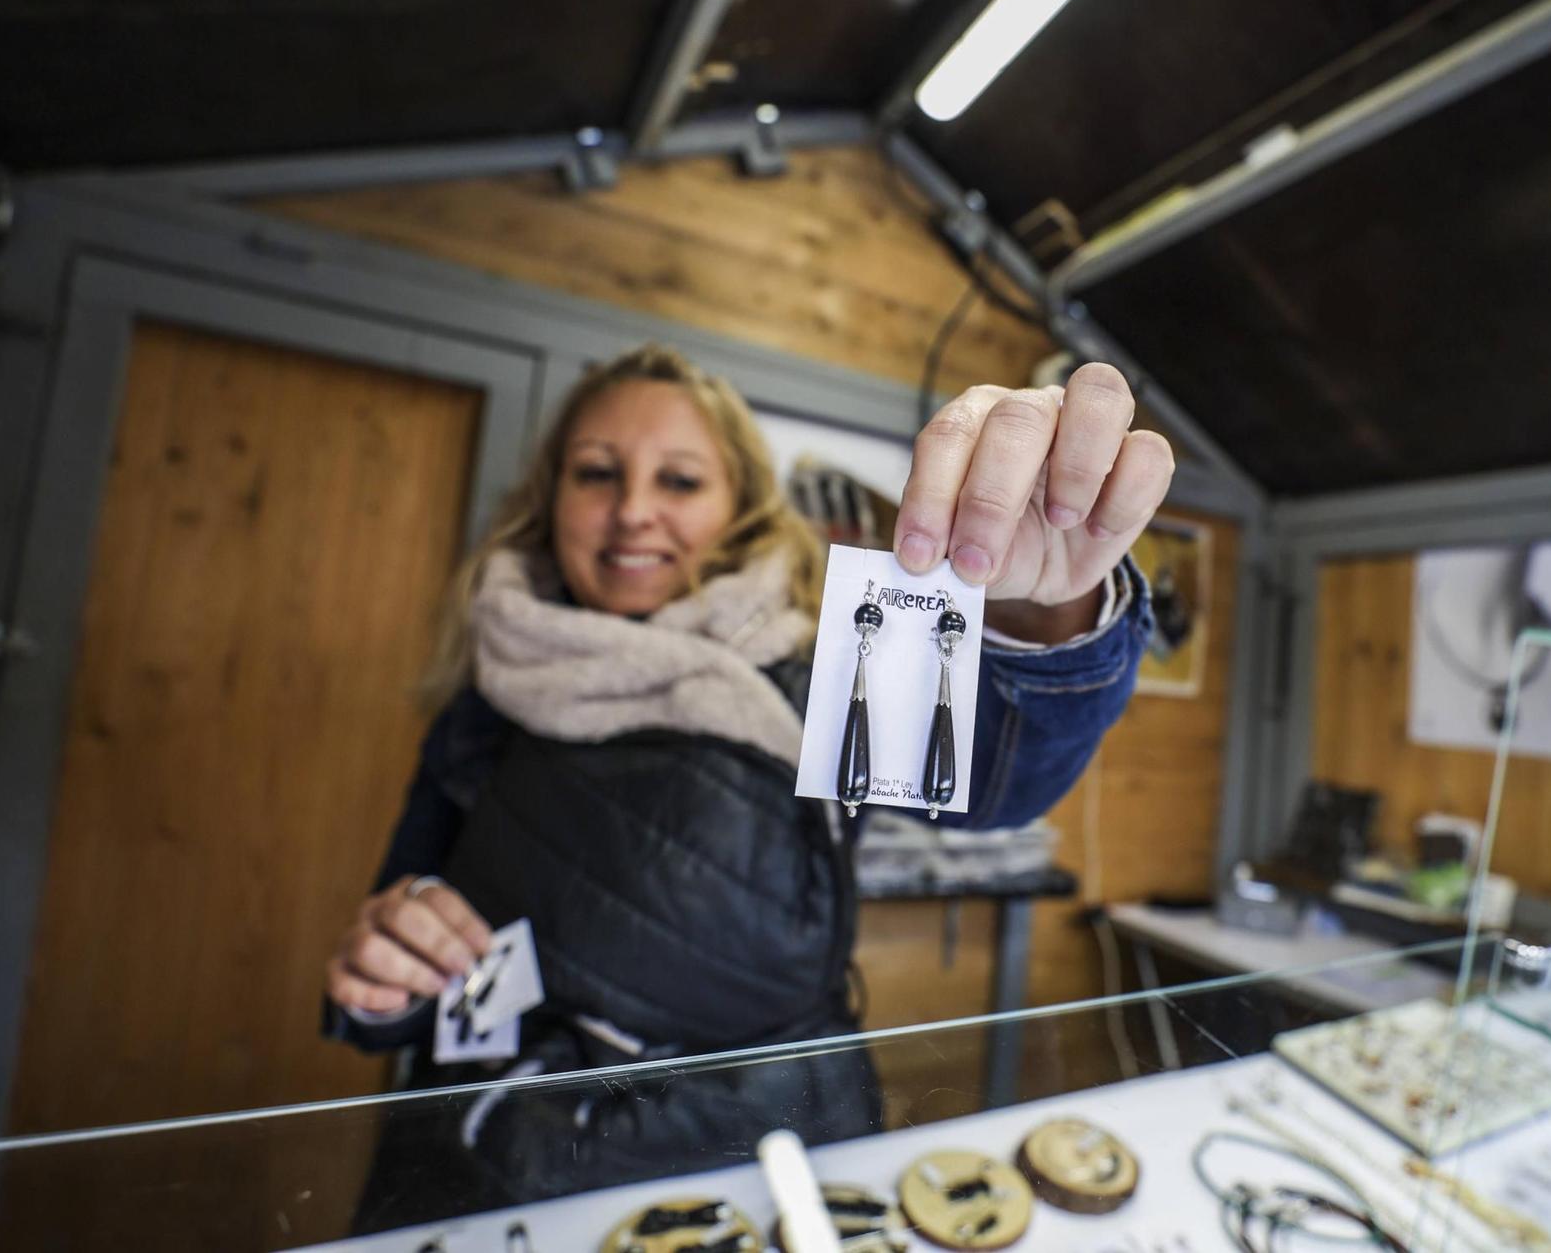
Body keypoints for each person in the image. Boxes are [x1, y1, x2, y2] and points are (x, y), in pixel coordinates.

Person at [322, 345, 1172, 1226]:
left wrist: (1049, 607)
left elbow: (1003, 777)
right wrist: (381, 972)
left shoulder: (821, 655)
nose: (633, 512)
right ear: (550, 498)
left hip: (760, 1166)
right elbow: (398, 944)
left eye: (681, 480)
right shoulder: (490, 685)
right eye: (597, 473)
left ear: (738, 503)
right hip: (500, 1175)